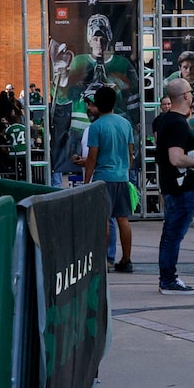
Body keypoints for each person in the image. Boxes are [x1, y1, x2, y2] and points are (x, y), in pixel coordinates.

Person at [152, 76, 194, 293]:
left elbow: (186, 126)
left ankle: (167, 277)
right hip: (180, 187)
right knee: (174, 233)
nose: (192, 94)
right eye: (190, 91)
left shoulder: (167, 119)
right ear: (185, 96)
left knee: (170, 232)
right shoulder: (174, 122)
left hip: (171, 185)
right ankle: (168, 279)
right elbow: (176, 158)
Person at [78, 84, 137, 273]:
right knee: (123, 219)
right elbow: (130, 153)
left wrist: (87, 181)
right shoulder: (125, 123)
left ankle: (103, 260)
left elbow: (92, 158)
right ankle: (126, 260)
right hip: (121, 177)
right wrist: (125, 171)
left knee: (104, 220)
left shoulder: (96, 127)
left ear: (97, 103)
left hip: (103, 178)